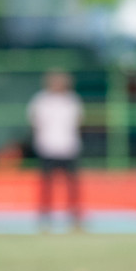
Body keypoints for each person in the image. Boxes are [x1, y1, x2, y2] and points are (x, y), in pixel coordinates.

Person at [27, 69, 83, 229]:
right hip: (47, 147)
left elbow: (78, 121)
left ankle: (75, 217)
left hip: (68, 147)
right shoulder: (41, 100)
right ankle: (45, 218)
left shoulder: (72, 100)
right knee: (47, 186)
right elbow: (35, 122)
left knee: (72, 186)